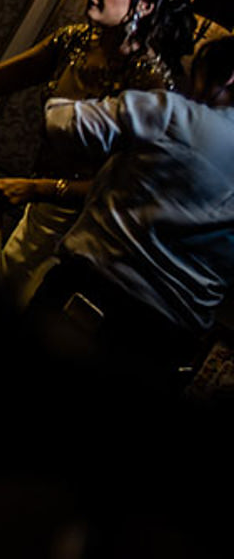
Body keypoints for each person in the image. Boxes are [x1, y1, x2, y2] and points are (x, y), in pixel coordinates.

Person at [0, 0, 194, 304]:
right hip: (39, 216)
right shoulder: (76, 40)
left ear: (144, 5)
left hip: (90, 239)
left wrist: (35, 189)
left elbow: (127, 189)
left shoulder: (156, 88)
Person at [28, 35, 234, 390]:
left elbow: (60, 122)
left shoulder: (174, 113)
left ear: (225, 77)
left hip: (93, 306)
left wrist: (99, 87)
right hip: (168, 344)